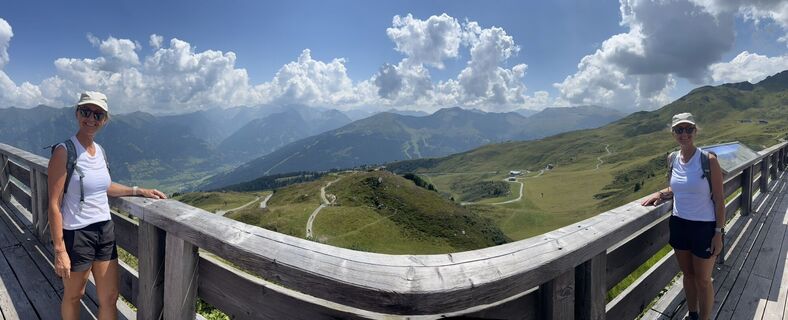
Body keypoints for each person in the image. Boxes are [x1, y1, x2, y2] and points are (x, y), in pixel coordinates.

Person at [47, 91, 167, 320]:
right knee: (75, 295)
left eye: (98, 114)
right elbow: (54, 204)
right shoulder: (64, 151)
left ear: (105, 120)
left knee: (110, 297)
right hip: (76, 234)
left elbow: (104, 186)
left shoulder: (99, 151)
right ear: (77, 113)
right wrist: (60, 250)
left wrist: (137, 190)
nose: (91, 118)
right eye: (86, 112)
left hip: (105, 231)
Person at [641, 112, 725, 320]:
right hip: (679, 223)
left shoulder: (708, 160)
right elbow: (677, 187)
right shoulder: (672, 158)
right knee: (687, 275)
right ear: (673, 133)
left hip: (704, 227)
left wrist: (718, 233)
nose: (684, 134)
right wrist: (662, 193)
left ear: (695, 132)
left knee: (703, 279)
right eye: (679, 130)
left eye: (688, 129)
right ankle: (693, 314)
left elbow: (720, 200)